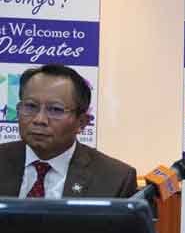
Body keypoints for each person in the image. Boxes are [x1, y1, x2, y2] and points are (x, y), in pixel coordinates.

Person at [0, 64, 137, 198]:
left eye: (55, 109)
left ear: (82, 122)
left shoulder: (115, 179)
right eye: (30, 106)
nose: (39, 119)